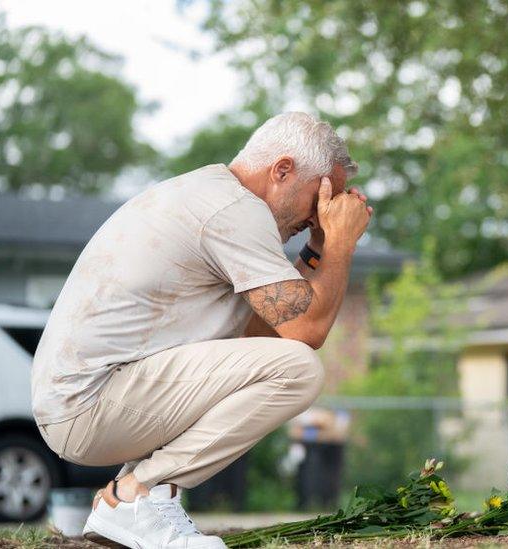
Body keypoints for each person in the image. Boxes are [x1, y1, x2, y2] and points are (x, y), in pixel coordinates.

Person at [31, 112, 372, 548]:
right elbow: (305, 334)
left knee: (284, 361)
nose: (318, 216)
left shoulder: (212, 197)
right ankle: (138, 496)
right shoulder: (237, 211)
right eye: (320, 196)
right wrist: (340, 244)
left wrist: (319, 247)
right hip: (90, 402)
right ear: (282, 170)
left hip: (82, 400)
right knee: (299, 369)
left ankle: (131, 503)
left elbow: (263, 338)